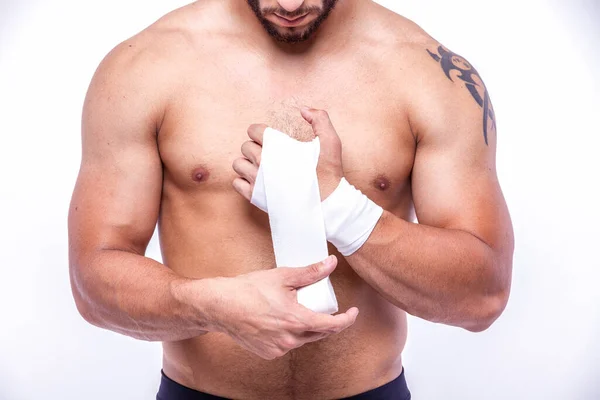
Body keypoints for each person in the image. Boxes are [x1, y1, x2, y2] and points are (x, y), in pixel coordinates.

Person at [68, 0, 514, 399]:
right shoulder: (144, 67)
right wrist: (209, 307)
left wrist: (338, 205)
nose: (290, 3)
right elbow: (93, 282)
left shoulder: (429, 73)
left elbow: (482, 297)